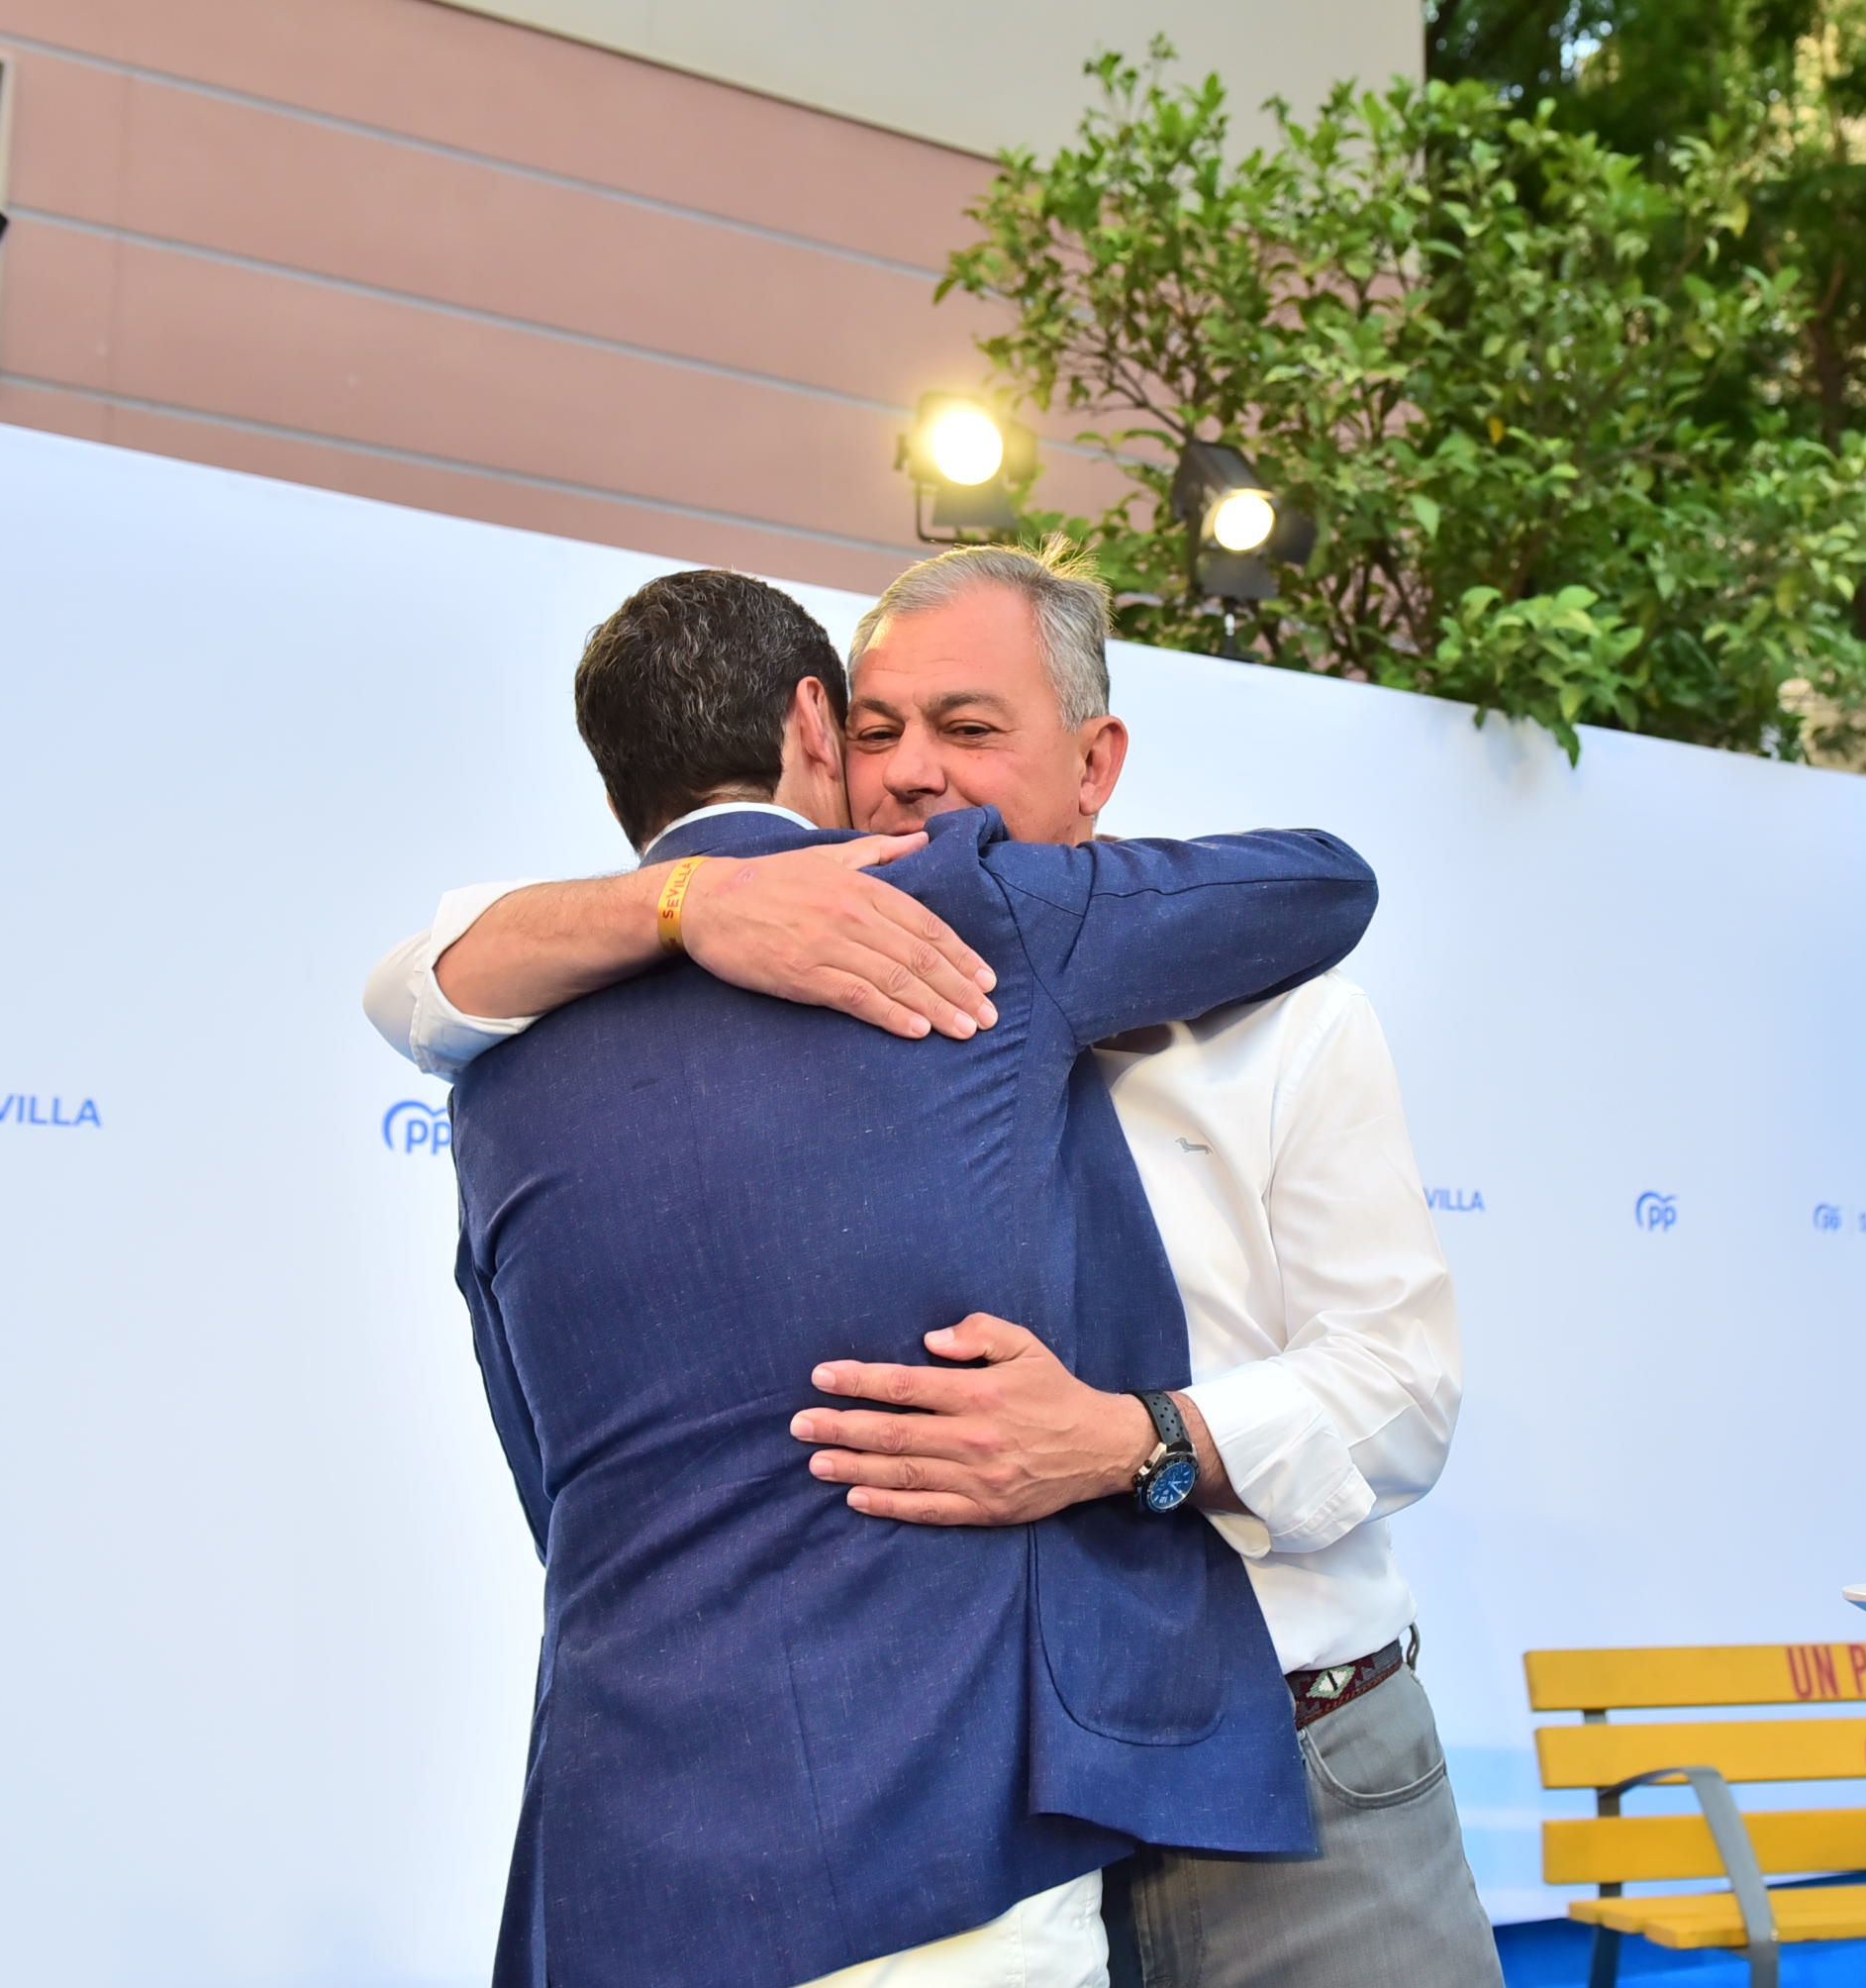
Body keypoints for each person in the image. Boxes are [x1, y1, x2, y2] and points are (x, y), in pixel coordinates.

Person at [365, 541, 1501, 1988]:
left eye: (968, 730)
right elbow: (414, 983)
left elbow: (1402, 1391)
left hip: (1292, 1770)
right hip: (963, 1812)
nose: (912, 775)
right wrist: (688, 902)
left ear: (1095, 763)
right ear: (818, 738)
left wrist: (1133, 1442)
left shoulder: (1287, 1025)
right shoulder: (732, 1001)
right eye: (881, 728)